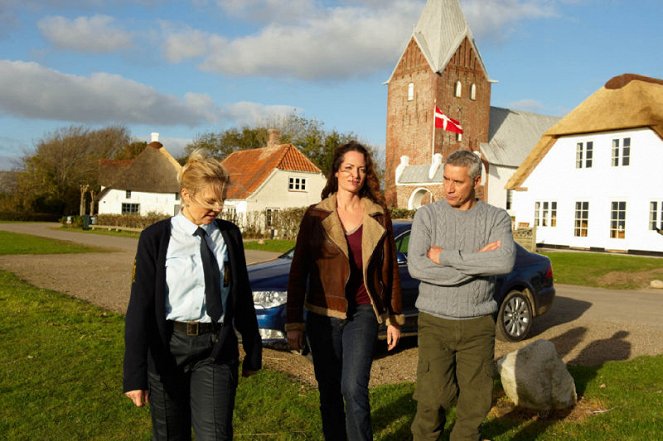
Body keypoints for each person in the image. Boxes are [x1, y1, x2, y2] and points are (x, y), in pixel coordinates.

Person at [123, 150, 262, 441]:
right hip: (168, 349)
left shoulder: (229, 235)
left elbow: (242, 296)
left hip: (215, 348)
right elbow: (140, 307)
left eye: (222, 198)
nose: (220, 207)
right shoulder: (156, 238)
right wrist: (134, 375)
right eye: (211, 201)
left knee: (216, 435)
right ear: (186, 195)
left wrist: (253, 348)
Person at [286, 141, 403, 441]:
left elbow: (388, 269)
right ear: (336, 172)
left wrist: (392, 318)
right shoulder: (316, 216)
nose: (355, 175)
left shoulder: (378, 215)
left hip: (363, 312)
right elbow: (298, 271)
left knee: (354, 388)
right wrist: (294, 323)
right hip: (322, 314)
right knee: (329, 392)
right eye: (349, 168)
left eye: (361, 169)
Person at [407, 149, 516, 441]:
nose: (449, 188)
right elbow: (417, 266)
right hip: (434, 322)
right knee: (430, 402)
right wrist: (476, 260)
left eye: (458, 181)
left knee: (475, 404)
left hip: (478, 323)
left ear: (477, 181)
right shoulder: (427, 215)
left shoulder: (496, 218)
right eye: (446, 179)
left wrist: (447, 256)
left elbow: (504, 261)